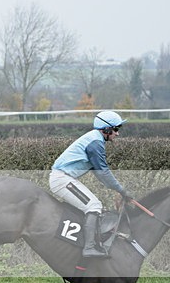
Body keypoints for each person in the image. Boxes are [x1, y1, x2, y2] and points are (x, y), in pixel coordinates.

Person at [50, 110, 130, 258]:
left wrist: (117, 189)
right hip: (61, 179)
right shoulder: (95, 143)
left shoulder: (94, 139)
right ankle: (89, 248)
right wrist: (122, 190)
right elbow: (103, 172)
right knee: (94, 206)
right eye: (116, 129)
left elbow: (101, 174)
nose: (117, 133)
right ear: (106, 129)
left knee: (95, 205)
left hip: (64, 178)